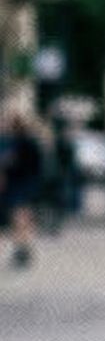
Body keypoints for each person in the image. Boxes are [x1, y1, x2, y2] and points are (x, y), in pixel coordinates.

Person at [2, 112, 41, 269]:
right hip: (28, 184)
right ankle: (23, 248)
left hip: (18, 184)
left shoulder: (18, 143)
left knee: (19, 217)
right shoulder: (30, 142)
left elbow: (12, 163)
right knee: (24, 216)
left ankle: (21, 249)